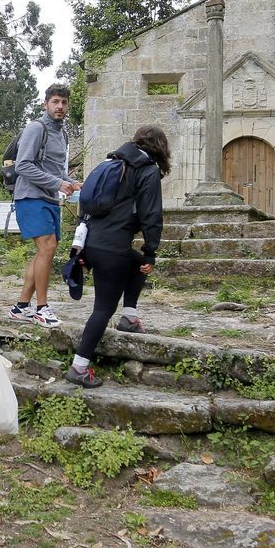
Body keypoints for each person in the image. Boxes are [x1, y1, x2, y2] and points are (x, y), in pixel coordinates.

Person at [65, 126, 170, 388]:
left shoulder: (110, 163)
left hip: (91, 242)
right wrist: (151, 252)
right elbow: (151, 215)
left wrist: (82, 249)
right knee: (102, 308)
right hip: (111, 248)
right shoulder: (147, 171)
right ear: (160, 147)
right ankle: (79, 367)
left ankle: (129, 318)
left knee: (136, 263)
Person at [9, 84, 80, 329]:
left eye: (63, 102)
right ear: (46, 103)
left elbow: (58, 170)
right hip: (29, 197)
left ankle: (20, 307)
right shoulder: (35, 128)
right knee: (48, 247)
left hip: (50, 199)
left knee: (46, 251)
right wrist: (58, 182)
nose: (60, 106)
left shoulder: (62, 134)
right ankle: (41, 308)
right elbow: (23, 166)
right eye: (55, 101)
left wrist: (72, 183)